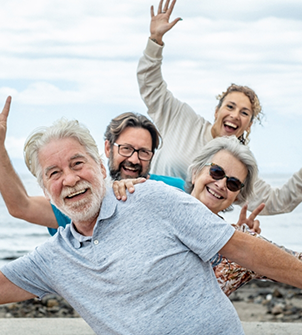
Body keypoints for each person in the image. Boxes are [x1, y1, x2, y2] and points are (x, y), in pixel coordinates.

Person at [2, 118, 302, 335]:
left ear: (99, 164)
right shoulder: (54, 258)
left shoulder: (152, 195)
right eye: (54, 173)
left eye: (78, 164)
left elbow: (243, 248)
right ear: (44, 188)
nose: (69, 179)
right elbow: (19, 212)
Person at [137, 0, 302, 215]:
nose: (235, 115)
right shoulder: (181, 118)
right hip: (146, 211)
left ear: (249, 125)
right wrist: (155, 40)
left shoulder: (238, 165)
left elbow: (278, 201)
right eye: (230, 106)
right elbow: (151, 85)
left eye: (244, 113)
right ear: (217, 111)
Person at [114, 136, 302, 297]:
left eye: (233, 183)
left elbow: (293, 262)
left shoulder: (237, 248)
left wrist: (245, 239)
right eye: (216, 172)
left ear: (237, 196)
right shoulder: (155, 203)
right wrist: (121, 189)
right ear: (195, 173)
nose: (221, 184)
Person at [0, 97, 183, 235]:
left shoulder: (174, 189)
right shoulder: (82, 199)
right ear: (107, 148)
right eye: (126, 149)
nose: (134, 160)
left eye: (143, 152)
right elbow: (21, 206)